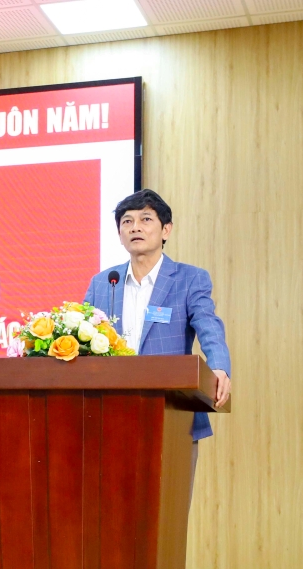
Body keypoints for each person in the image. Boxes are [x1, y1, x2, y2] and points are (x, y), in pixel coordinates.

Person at [83, 189, 231, 493]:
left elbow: (209, 326)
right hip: (110, 416)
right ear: (120, 234)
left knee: (166, 507)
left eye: (145, 219)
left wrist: (219, 367)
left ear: (166, 230)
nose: (135, 227)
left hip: (170, 414)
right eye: (127, 221)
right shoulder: (104, 283)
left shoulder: (189, 279)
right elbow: (83, 334)